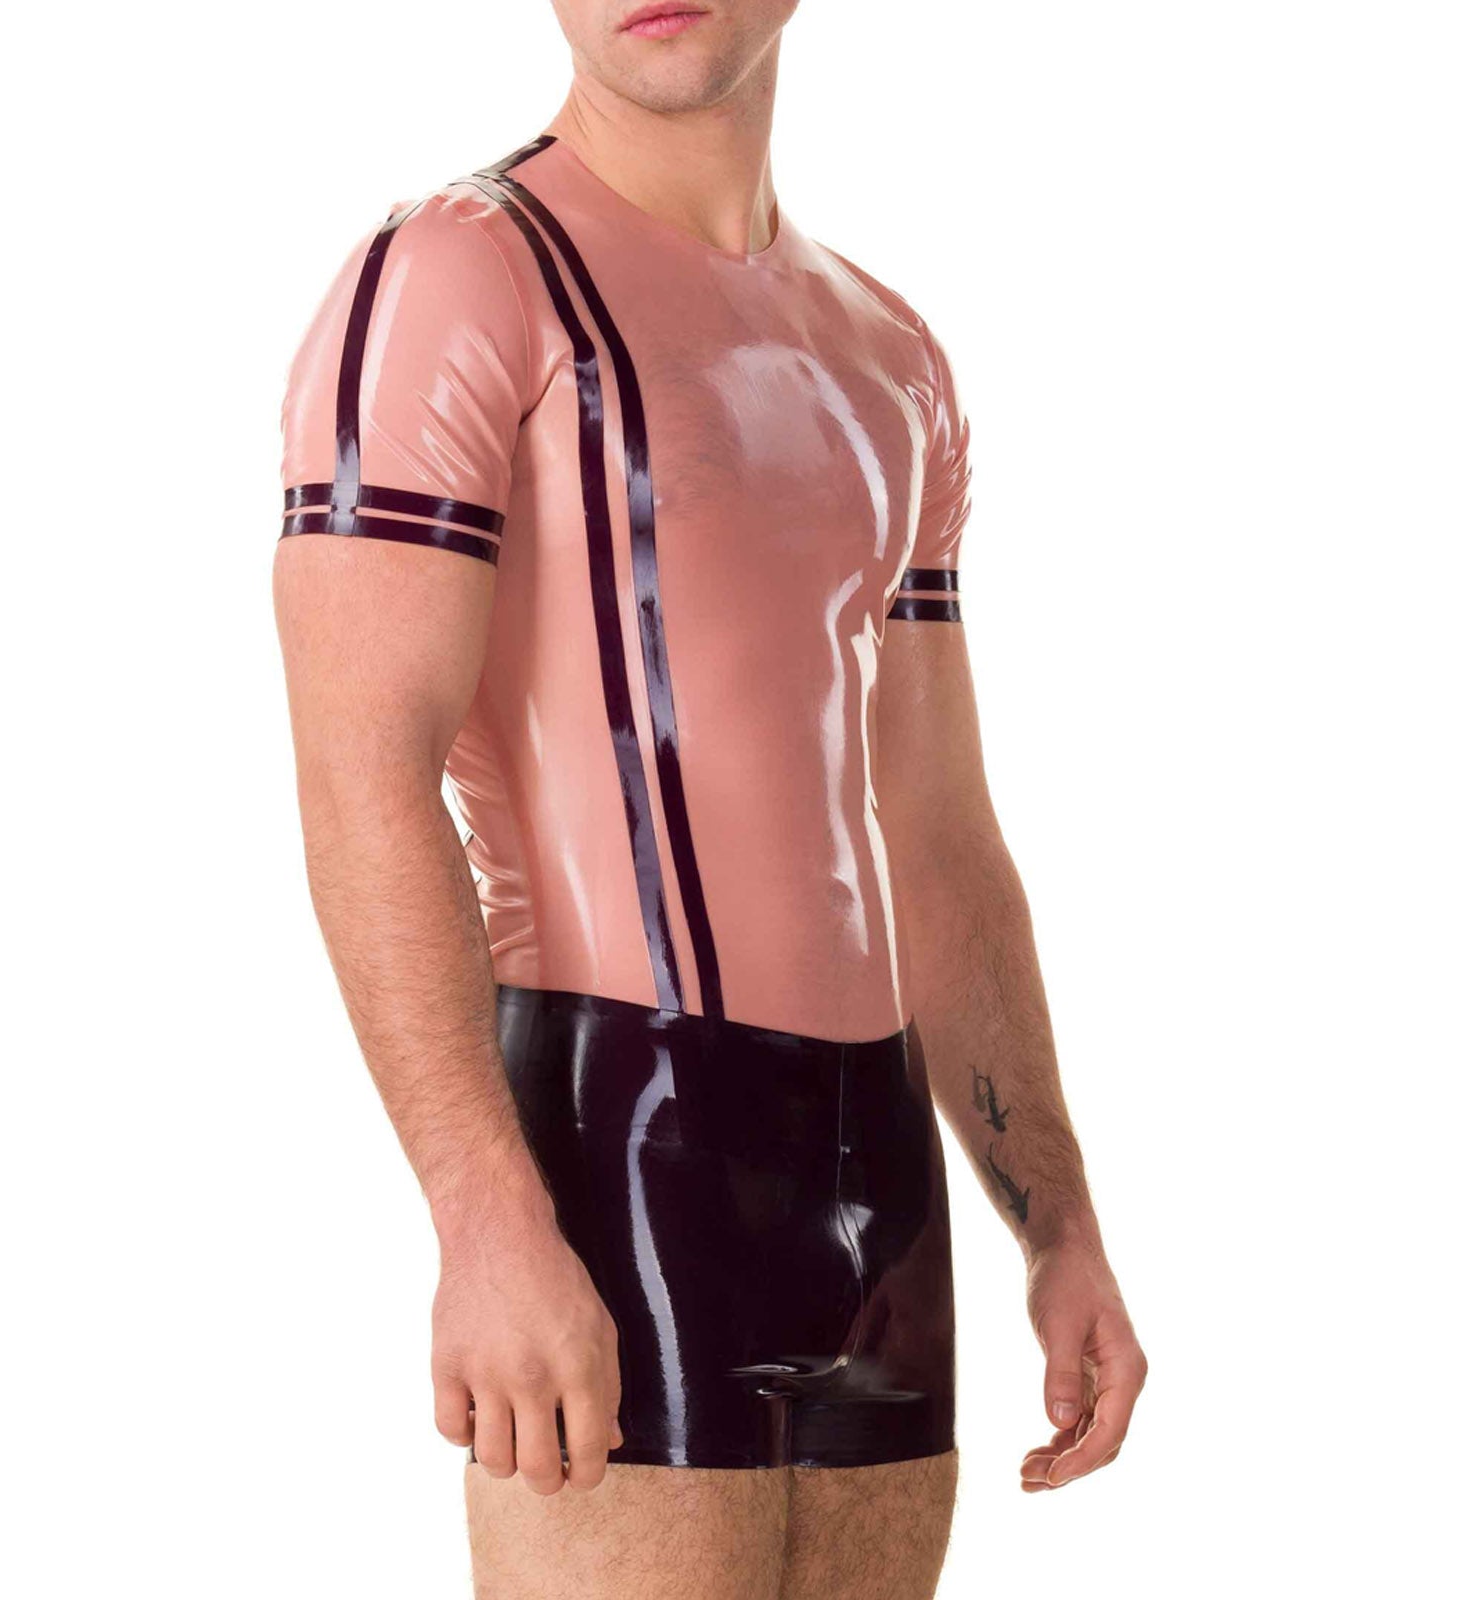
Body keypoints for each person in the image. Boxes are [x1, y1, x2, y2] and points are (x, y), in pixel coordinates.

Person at [272, 2, 1147, 1594]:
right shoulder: (459, 274)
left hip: (881, 1189)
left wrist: (1059, 1225)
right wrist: (485, 1219)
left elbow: (939, 836)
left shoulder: (893, 356)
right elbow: (361, 774)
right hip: (620, 1153)